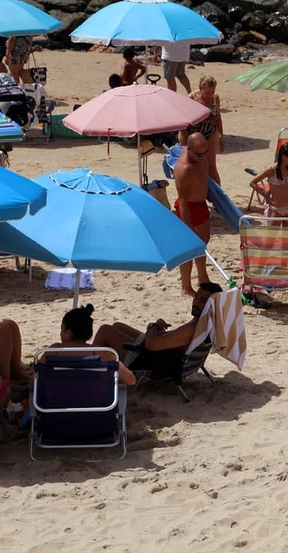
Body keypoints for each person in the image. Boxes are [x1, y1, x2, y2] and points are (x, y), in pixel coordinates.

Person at [95, 283, 220, 379]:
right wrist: (159, 331)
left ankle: (87, 368)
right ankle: (101, 367)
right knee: (118, 326)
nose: (196, 302)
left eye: (202, 300)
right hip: (164, 354)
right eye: (196, 297)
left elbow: (151, 344)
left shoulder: (192, 329)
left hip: (151, 361)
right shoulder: (207, 323)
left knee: (105, 330)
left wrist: (155, 325)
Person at [39, 306, 136, 387]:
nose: (60, 333)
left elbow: (32, 384)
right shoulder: (102, 353)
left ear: (68, 332)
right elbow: (131, 380)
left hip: (57, 406)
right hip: (97, 407)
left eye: (61, 329)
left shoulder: (53, 351)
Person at [174, 132, 214, 295]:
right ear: (189, 150)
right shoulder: (184, 168)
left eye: (205, 152)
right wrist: (187, 226)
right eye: (198, 154)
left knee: (202, 243)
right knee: (187, 248)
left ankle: (203, 277)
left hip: (201, 204)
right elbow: (183, 200)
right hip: (188, 207)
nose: (202, 156)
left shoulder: (200, 158)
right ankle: (186, 286)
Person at [180, 74, 224, 182]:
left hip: (209, 131)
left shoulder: (215, 98)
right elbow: (184, 122)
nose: (210, 95)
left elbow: (218, 117)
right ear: (200, 89)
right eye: (207, 93)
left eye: (212, 92)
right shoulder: (192, 98)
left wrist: (221, 136)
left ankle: (218, 194)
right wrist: (185, 142)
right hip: (192, 134)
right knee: (193, 165)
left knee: (211, 166)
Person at [249, 141, 288, 218]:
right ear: (284, 157)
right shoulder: (271, 170)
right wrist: (266, 197)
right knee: (273, 230)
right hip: (276, 207)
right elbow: (252, 183)